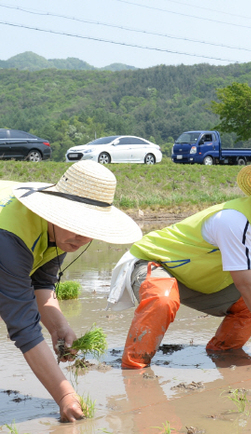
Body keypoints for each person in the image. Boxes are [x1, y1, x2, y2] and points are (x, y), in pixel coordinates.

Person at [108, 158, 251, 368]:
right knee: (162, 297)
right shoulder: (235, 219)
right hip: (158, 263)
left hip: (200, 281)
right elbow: (246, 283)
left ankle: (224, 355)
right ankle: (134, 369)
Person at [0, 161, 142, 422]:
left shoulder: (60, 231)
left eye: (89, 229)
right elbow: (23, 326)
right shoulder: (9, 241)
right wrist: (65, 395)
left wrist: (58, 326)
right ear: (55, 211)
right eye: (74, 223)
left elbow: (41, 282)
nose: (79, 236)